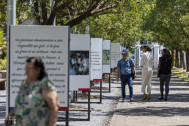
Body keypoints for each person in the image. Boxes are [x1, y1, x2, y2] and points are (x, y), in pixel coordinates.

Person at [5, 57, 59, 126]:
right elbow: (21, 102)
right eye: (26, 68)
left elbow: (54, 107)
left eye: (29, 69)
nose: (26, 71)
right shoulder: (25, 83)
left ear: (38, 70)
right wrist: (10, 115)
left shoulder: (45, 85)